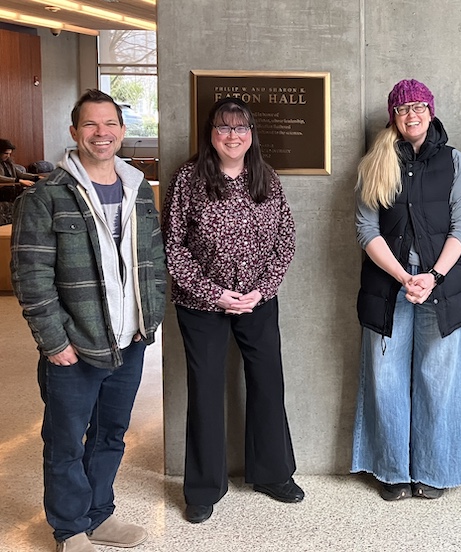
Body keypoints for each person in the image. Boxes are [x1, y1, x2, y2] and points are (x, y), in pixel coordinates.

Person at [10, 89, 165, 552]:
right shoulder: (46, 197)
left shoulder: (137, 190)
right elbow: (31, 276)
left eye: (110, 124)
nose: (102, 133)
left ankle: (100, 515)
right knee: (65, 443)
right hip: (73, 348)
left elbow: (153, 260)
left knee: (111, 434)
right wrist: (54, 342)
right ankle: (70, 528)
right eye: (91, 125)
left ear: (122, 130)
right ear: (75, 132)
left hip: (129, 340)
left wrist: (148, 321)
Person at [162, 97, 301, 524]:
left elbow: (286, 238)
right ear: (210, 134)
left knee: (267, 383)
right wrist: (213, 292)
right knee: (205, 391)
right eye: (224, 128)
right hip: (202, 304)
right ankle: (203, 488)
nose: (233, 136)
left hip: (258, 301)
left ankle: (273, 473)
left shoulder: (267, 177)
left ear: (251, 134)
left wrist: (262, 290)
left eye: (241, 128)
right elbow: (173, 246)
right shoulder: (189, 179)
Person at [351, 79, 461, 501]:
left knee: (437, 380)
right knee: (385, 378)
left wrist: (433, 276)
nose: (412, 114)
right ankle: (391, 471)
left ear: (431, 111)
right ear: (394, 116)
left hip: (442, 286)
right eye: (403, 108)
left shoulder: (455, 161)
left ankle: (434, 471)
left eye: (420, 106)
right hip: (389, 287)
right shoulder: (375, 162)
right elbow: (366, 229)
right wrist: (403, 277)